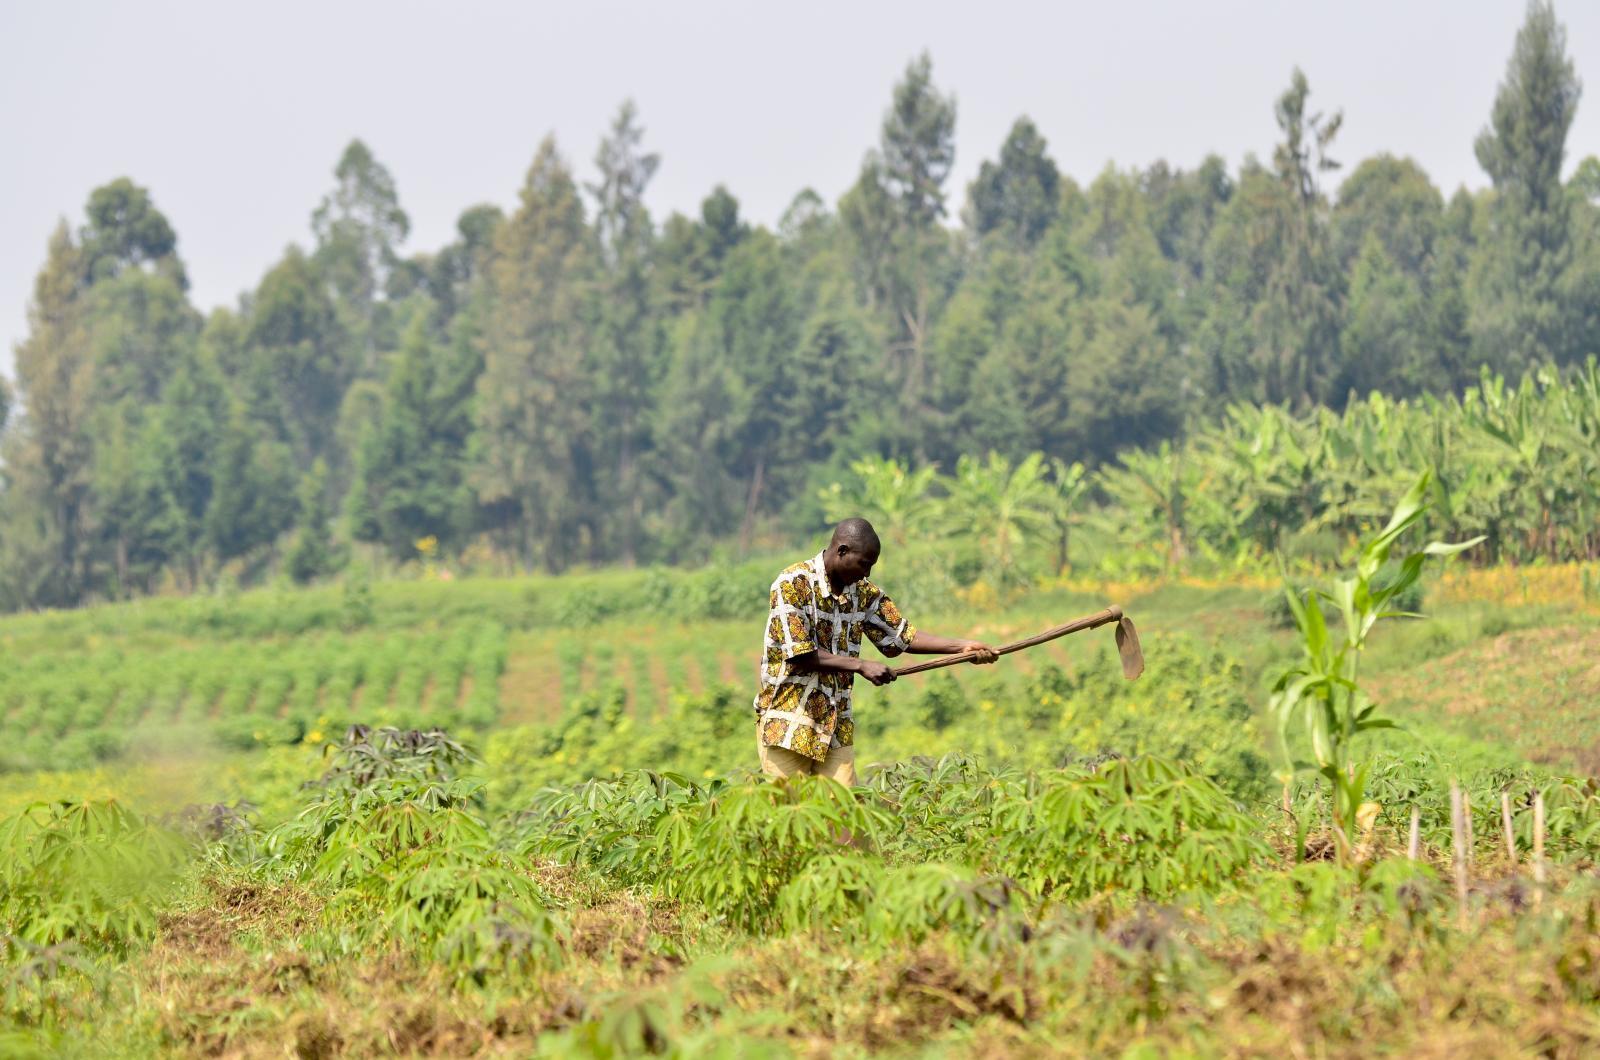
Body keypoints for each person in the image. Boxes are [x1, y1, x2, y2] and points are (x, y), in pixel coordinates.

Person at [752, 517, 998, 785]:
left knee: (846, 815)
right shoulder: (792, 584)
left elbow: (902, 636)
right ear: (842, 550)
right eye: (864, 564)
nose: (866, 573)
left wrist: (963, 648)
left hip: (835, 722)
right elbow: (801, 654)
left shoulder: (864, 593)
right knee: (788, 815)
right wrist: (861, 665)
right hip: (788, 719)